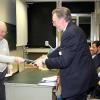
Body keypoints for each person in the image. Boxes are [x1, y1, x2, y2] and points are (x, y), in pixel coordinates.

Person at [33, 7, 97, 100]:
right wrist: (47, 56)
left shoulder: (69, 33)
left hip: (77, 82)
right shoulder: (74, 29)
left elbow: (64, 61)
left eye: (54, 21)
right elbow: (62, 48)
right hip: (82, 79)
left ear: (62, 19)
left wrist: (44, 62)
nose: (53, 24)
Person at [0, 21, 24, 100]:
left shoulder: (5, 42)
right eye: (1, 31)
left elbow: (7, 55)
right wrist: (14, 59)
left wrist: (9, 66)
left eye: (4, 32)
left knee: (3, 94)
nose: (3, 34)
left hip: (3, 72)